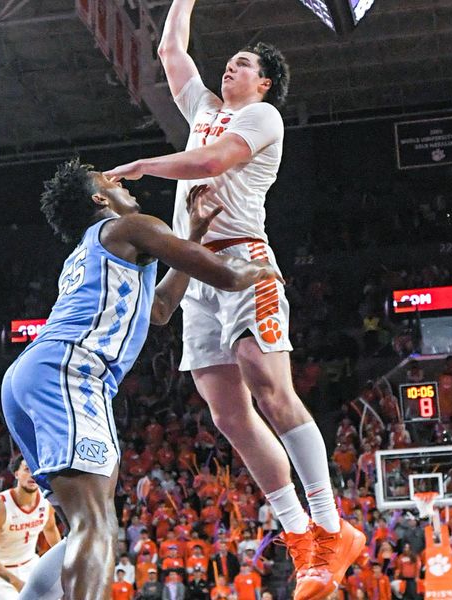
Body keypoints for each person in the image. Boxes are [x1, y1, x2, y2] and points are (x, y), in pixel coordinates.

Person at [103, 0, 364, 597]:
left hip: (245, 260)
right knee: (225, 411)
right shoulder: (205, 109)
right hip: (194, 267)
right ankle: (304, 544)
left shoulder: (263, 118)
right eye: (228, 62)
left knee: (263, 375)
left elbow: (212, 160)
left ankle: (330, 525)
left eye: (242, 64)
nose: (229, 69)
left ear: (264, 82)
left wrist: (148, 164)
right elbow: (171, 52)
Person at [5, 159, 279, 600]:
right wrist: (265, 270)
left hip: (31, 374)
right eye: (107, 181)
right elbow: (227, 274)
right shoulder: (129, 227)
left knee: (85, 522)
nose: (120, 184)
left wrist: (190, 237)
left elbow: (160, 310)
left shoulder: (91, 250)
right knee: (97, 523)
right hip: (71, 370)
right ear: (99, 198)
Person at [0, 456, 61, 599]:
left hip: (31, 564)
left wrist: (63, 560)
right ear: (16, 473)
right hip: (2, 573)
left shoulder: (46, 501)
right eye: (27, 469)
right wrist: (16, 582)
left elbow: (50, 528)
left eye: (35, 469)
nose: (32, 475)